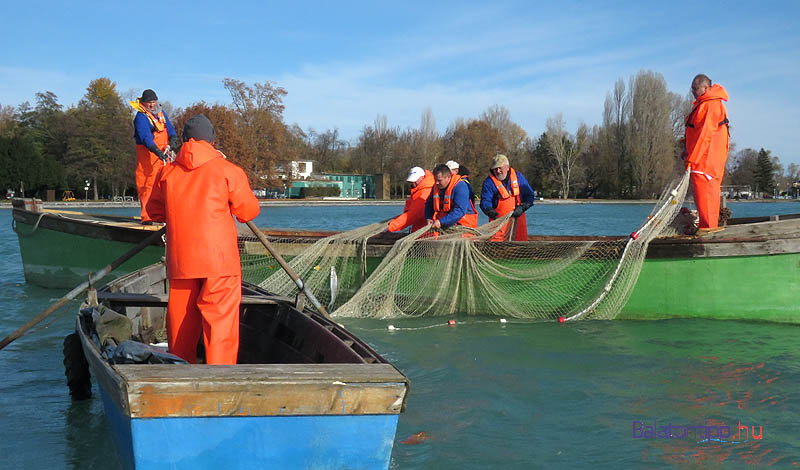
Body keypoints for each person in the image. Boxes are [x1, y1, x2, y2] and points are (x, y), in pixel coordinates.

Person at [146, 115, 260, 364]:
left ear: (185, 140)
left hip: (181, 261)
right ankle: (219, 379)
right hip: (220, 262)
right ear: (212, 141)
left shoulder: (167, 173)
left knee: (181, 323)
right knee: (220, 324)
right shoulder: (229, 171)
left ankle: (180, 371)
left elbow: (153, 211)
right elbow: (248, 211)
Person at [683, 74, 729, 232]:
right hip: (703, 159)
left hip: (706, 161)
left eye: (696, 89)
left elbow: (705, 135)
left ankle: (708, 230)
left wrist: (692, 159)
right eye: (692, 89)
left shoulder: (710, 105)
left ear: (706, 88)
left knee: (706, 194)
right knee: (705, 194)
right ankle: (707, 226)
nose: (693, 92)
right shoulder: (705, 104)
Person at [131, 89, 178, 224]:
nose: (152, 105)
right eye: (149, 103)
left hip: (163, 158)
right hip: (148, 159)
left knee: (164, 186)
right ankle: (147, 217)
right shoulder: (141, 117)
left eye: (153, 102)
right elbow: (145, 138)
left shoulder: (161, 114)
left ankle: (163, 216)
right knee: (147, 186)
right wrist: (157, 151)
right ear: (143, 103)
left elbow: (171, 130)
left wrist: (173, 141)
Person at [480, 154, 535, 241]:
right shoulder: (489, 182)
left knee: (520, 246)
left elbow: (530, 195)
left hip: (518, 222)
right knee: (497, 247)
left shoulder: (518, 177)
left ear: (507, 167)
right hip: (498, 224)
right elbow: (485, 201)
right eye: (495, 169)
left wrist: (523, 207)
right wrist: (489, 211)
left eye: (500, 168)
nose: (498, 171)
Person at [425, 164, 478, 230]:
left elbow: (460, 210)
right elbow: (429, 204)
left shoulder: (460, 187)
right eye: (435, 180)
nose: (437, 183)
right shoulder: (436, 187)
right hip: (445, 228)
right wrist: (428, 217)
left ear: (448, 177)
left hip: (464, 228)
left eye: (439, 180)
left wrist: (441, 222)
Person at [388, 166, 435, 232]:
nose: (413, 183)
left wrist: (392, 226)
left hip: (427, 233)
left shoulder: (425, 192)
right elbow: (409, 208)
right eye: (411, 181)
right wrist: (397, 220)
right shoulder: (417, 191)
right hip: (419, 230)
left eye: (414, 180)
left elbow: (413, 214)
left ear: (422, 177)